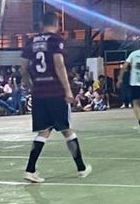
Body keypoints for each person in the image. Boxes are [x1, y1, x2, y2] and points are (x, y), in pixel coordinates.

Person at [21, 12, 91, 183]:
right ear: (57, 24)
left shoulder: (31, 42)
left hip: (39, 93)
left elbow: (23, 69)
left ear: (41, 24)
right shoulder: (55, 40)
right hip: (55, 92)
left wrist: (32, 86)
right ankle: (81, 168)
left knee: (43, 131)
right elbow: (59, 64)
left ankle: (30, 169)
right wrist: (67, 90)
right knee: (67, 130)